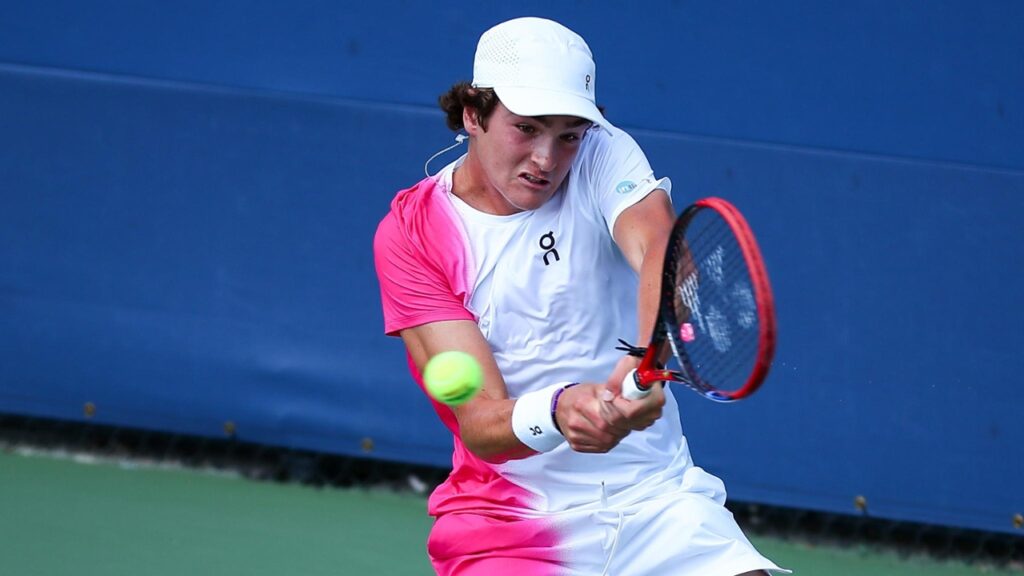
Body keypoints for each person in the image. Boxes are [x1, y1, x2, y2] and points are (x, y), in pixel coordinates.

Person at [374, 16, 787, 576]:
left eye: (567, 134)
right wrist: (558, 409)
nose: (547, 159)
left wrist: (643, 358)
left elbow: (661, 253)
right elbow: (479, 424)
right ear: (473, 114)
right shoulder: (414, 233)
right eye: (526, 128)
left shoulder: (601, 153)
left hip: (659, 502)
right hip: (511, 529)